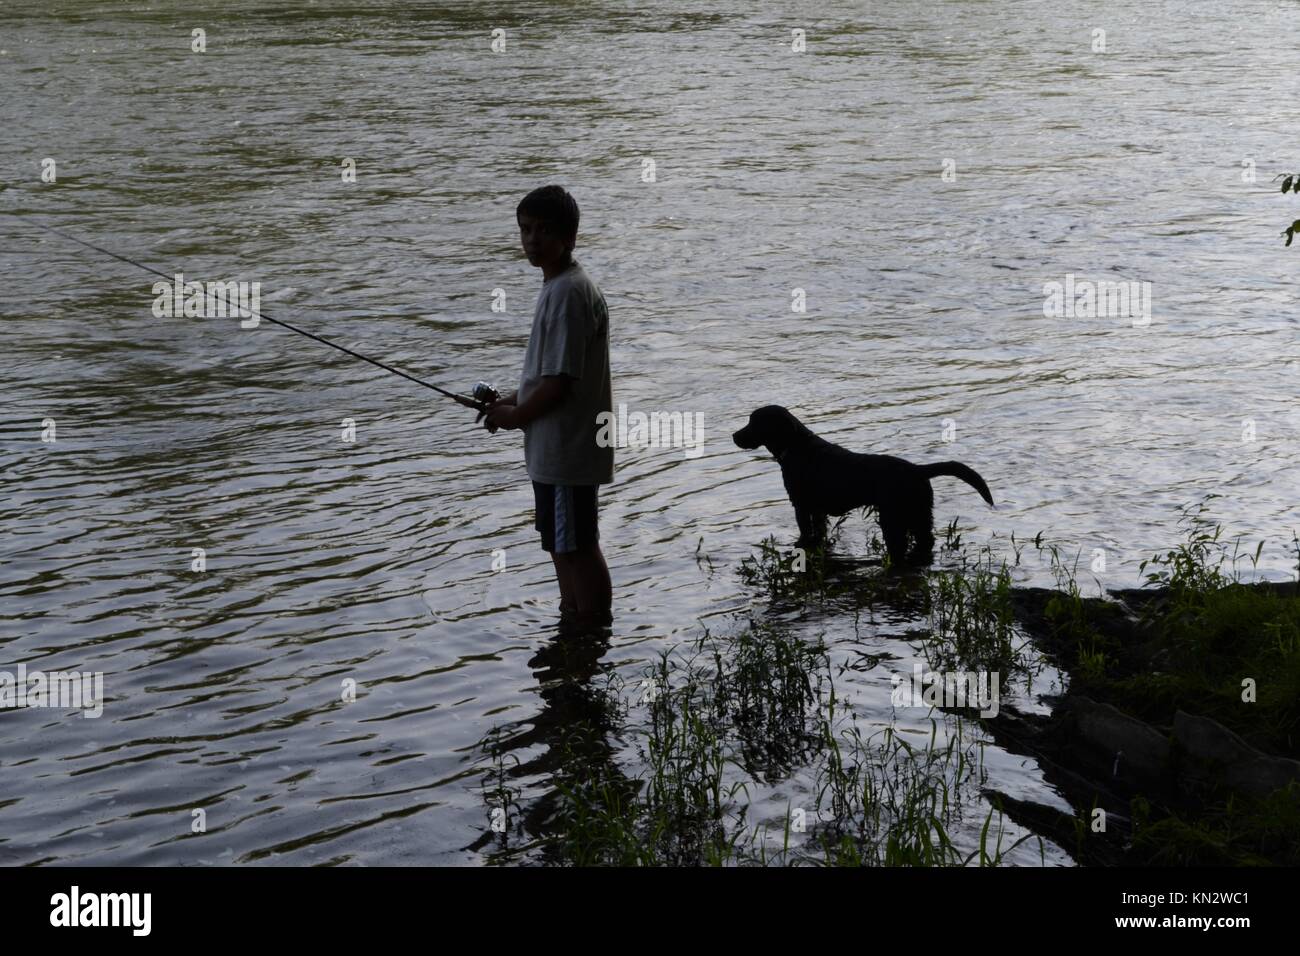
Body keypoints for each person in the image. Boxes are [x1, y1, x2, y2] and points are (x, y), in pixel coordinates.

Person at [484, 185, 614, 631]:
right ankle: (574, 622)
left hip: (566, 451)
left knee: (575, 545)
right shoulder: (560, 286)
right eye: (525, 230)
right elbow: (547, 375)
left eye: (544, 230)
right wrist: (510, 401)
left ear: (570, 237)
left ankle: (589, 629)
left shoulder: (567, 293)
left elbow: (560, 384)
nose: (532, 239)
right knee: (563, 544)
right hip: (559, 452)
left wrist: (516, 417)